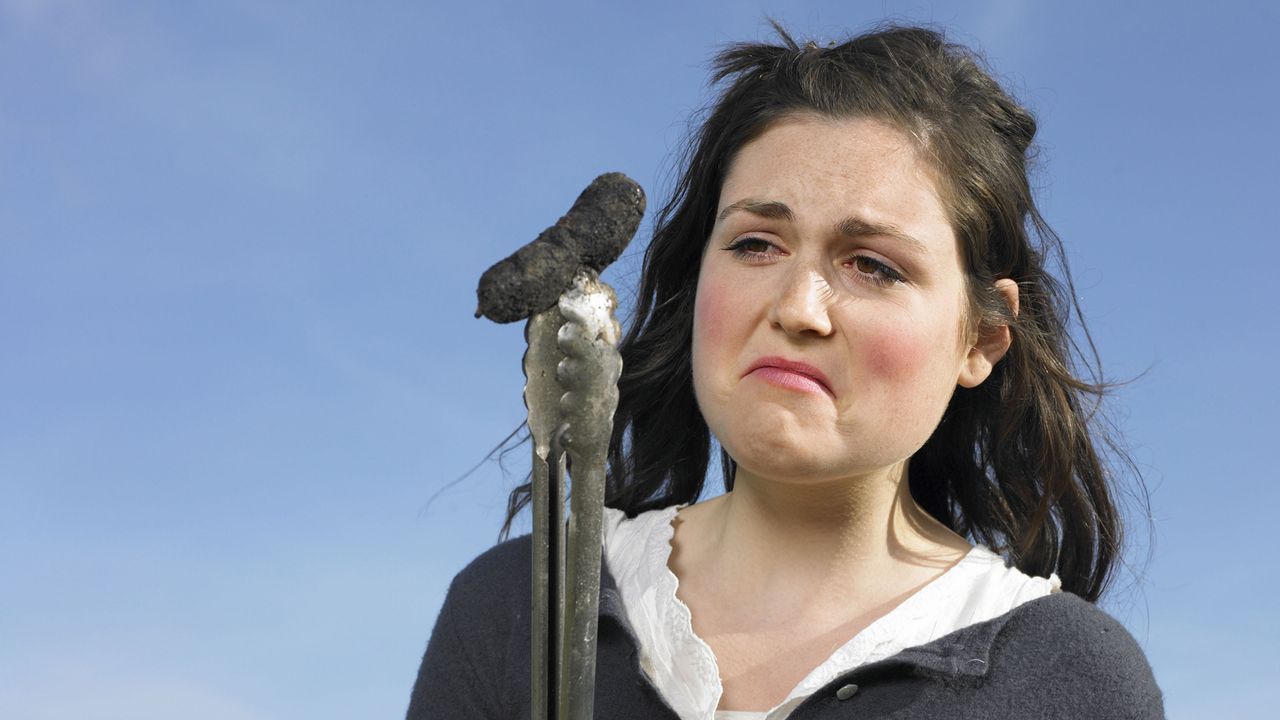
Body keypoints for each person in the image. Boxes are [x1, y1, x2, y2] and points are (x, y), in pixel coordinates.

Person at [407, 23, 1163, 720]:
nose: (799, 307)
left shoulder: (1068, 680)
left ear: (983, 338)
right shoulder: (520, 608)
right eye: (756, 245)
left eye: (873, 265)